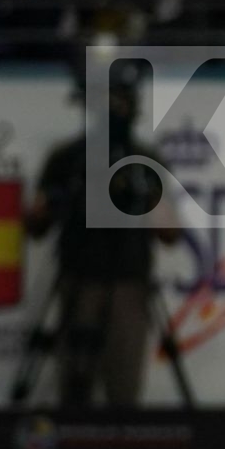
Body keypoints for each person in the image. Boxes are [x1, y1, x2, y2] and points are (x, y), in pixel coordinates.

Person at [24, 62, 180, 408]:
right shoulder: (67, 159)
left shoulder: (144, 159)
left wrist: (143, 194)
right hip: (78, 282)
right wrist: (58, 200)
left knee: (123, 389)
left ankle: (124, 444)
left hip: (129, 284)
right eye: (109, 101)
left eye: (122, 100)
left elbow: (170, 233)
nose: (116, 110)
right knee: (74, 390)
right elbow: (35, 226)